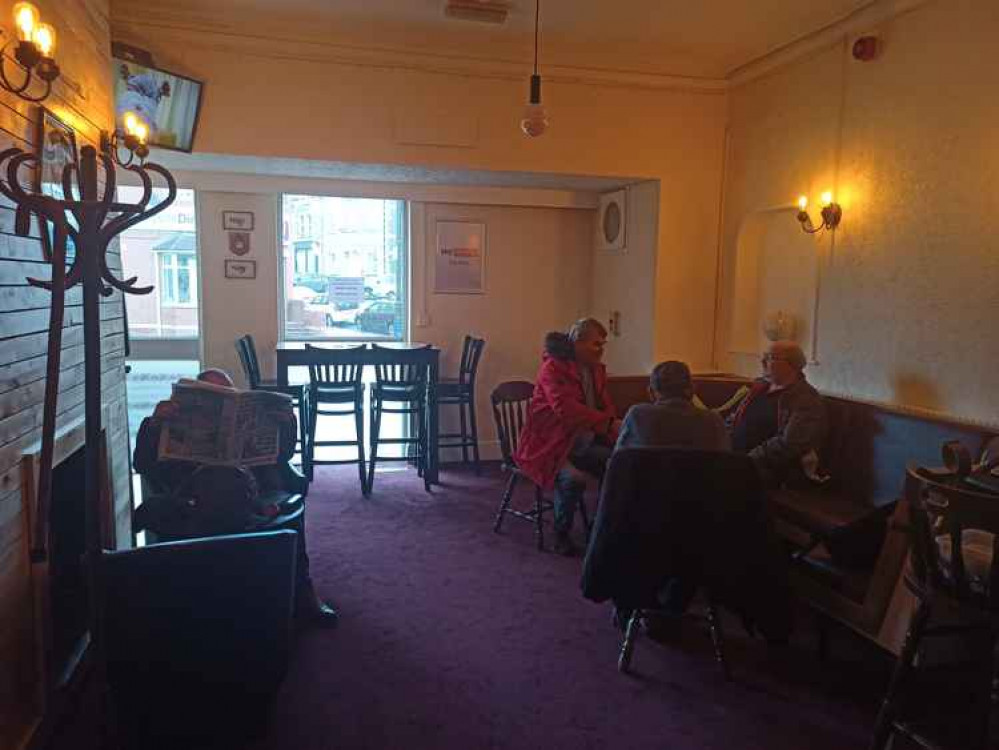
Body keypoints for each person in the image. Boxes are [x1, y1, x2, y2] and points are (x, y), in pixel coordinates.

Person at [133, 368, 339, 628]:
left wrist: (288, 424)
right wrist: (154, 424)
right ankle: (252, 529)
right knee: (218, 487)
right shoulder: (164, 421)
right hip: (196, 496)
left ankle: (302, 590)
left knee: (233, 485)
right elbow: (142, 463)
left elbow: (282, 457)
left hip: (249, 489)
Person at [514, 318, 620, 556]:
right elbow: (566, 410)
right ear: (577, 343)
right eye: (596, 344)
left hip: (580, 442)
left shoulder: (596, 370)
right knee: (574, 480)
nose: (601, 350)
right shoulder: (552, 368)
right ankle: (560, 534)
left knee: (619, 464)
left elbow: (606, 407)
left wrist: (613, 428)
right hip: (548, 445)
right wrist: (610, 424)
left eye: (603, 344)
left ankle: (601, 526)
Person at [730, 340, 826, 489]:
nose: (763, 361)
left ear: (791, 365)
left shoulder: (806, 399)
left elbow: (790, 444)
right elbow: (734, 419)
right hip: (738, 458)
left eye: (770, 357)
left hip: (774, 469)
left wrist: (747, 460)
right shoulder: (760, 387)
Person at [615, 361, 730, 453]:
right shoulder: (714, 422)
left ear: (651, 392)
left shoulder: (637, 416)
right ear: (693, 389)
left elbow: (617, 465)